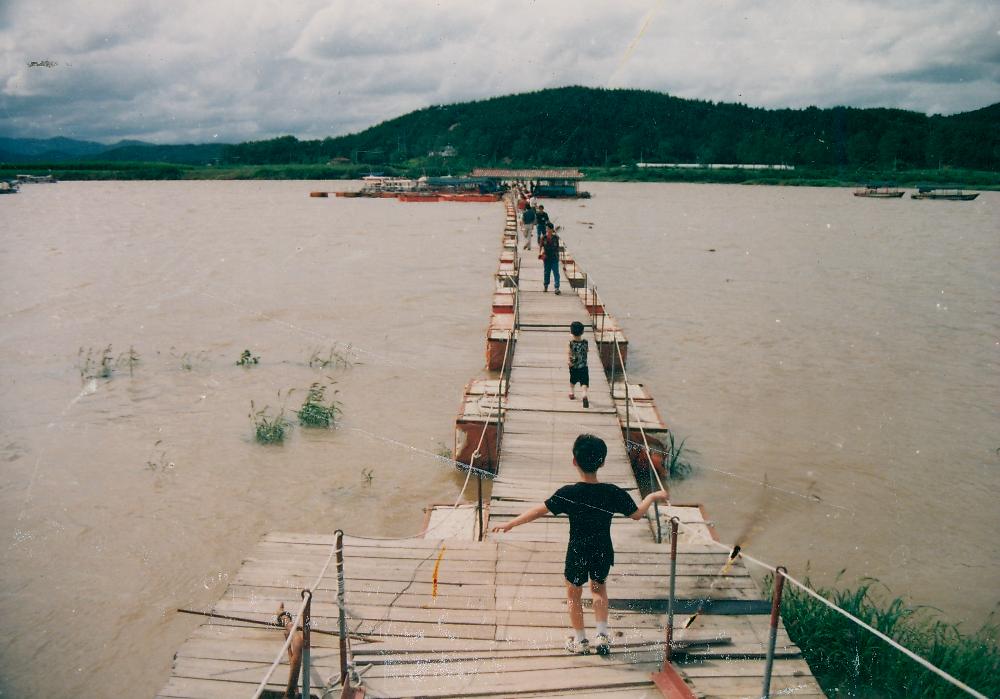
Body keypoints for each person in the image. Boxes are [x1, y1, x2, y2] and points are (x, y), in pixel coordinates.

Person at [492, 434, 669, 655]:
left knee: (573, 594)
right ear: (602, 462)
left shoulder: (569, 493)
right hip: (602, 548)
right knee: (599, 589)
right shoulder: (613, 492)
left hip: (577, 550)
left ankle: (581, 640)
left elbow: (539, 510)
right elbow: (637, 515)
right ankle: (602, 635)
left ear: (575, 461)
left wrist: (511, 524)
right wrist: (651, 496)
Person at [276, 603, 304, 698]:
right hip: (291, 693)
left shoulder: (290, 694)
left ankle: (283, 616)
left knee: (298, 641)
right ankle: (303, 614)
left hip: (290, 694)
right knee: (300, 641)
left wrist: (288, 645)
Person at [568, 320, 589, 408]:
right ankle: (584, 395)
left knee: (573, 380)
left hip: (574, 366)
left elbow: (569, 354)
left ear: (571, 332)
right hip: (584, 366)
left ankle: (572, 393)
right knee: (584, 382)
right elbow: (587, 351)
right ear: (582, 332)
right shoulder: (585, 342)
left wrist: (569, 362)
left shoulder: (571, 343)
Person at [541, 223, 561, 294]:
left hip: (554, 258)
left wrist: (557, 256)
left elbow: (557, 248)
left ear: (552, 229)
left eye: (548, 229)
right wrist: (541, 254)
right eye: (546, 229)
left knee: (556, 273)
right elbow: (541, 247)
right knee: (546, 273)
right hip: (546, 259)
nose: (547, 230)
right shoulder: (544, 238)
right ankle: (546, 286)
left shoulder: (556, 238)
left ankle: (557, 288)